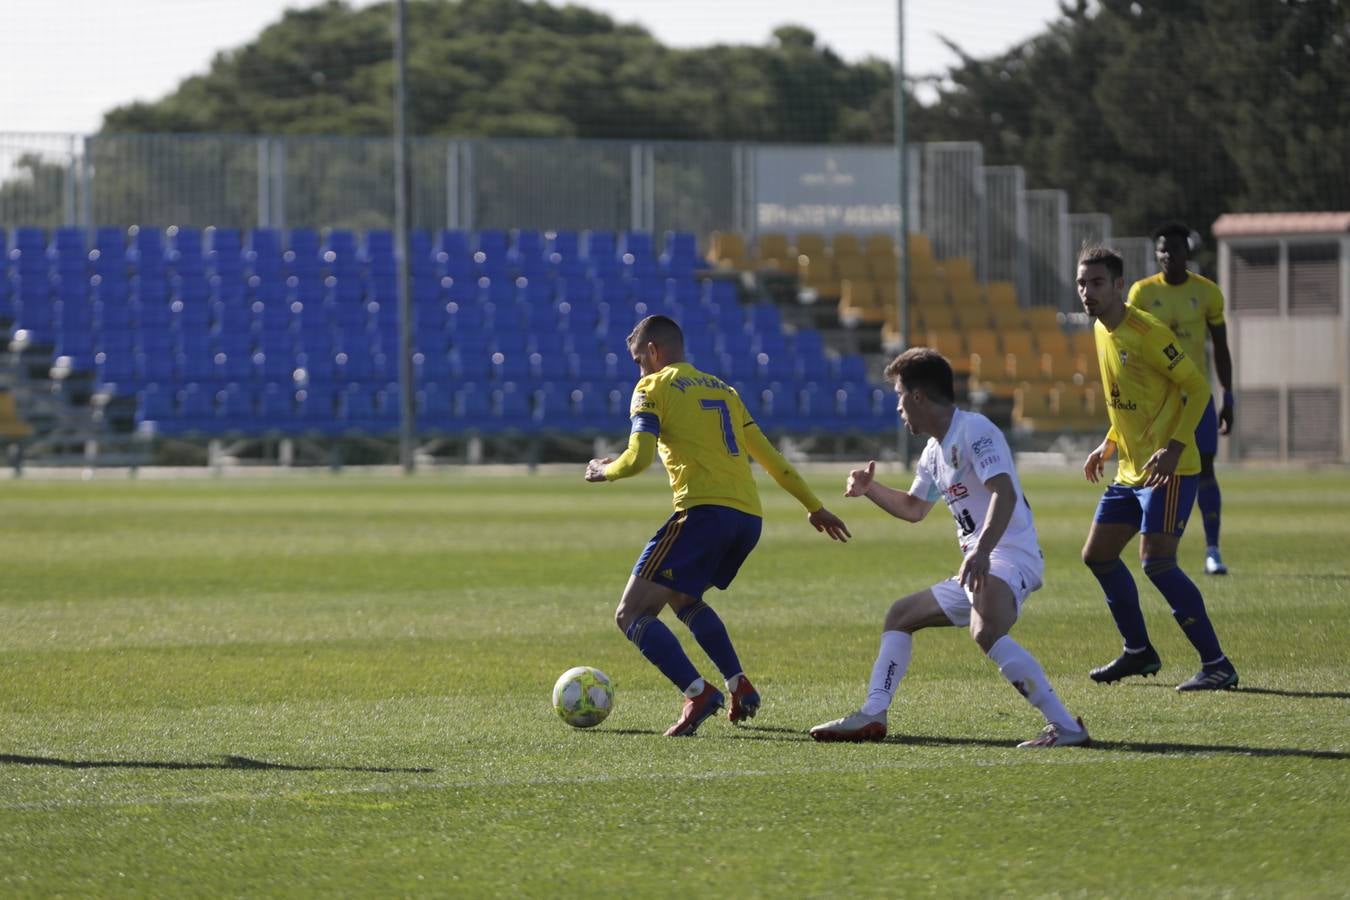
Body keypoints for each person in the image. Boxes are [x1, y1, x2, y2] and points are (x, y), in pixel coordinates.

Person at [585, 314, 851, 737]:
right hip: (747, 520)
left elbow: (637, 458)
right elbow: (773, 460)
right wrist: (814, 507)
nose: (639, 370)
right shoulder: (724, 391)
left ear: (653, 351)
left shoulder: (652, 387)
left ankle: (697, 693)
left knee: (631, 613)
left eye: (639, 360)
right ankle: (737, 683)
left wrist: (605, 471)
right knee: (683, 598)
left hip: (702, 515)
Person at [810, 347, 1089, 748]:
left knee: (985, 629)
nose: (899, 409)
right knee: (900, 615)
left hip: (1009, 554)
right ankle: (873, 713)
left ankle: (1066, 727)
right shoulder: (932, 453)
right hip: (981, 561)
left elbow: (1004, 494)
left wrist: (980, 551)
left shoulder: (975, 430)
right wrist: (870, 489)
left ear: (918, 396)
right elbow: (912, 508)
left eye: (900, 397)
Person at [1077, 245, 1239, 691]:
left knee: (1158, 563)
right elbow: (1126, 399)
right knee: (1098, 555)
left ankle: (1217, 664)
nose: (1087, 291)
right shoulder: (1099, 329)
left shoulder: (1147, 332)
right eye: (1081, 283)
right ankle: (1138, 652)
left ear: (1117, 286)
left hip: (1170, 469)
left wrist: (1173, 448)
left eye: (1096, 283)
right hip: (1130, 470)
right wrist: (1107, 443)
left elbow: (1198, 388)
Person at [1127, 222, 1234, 575]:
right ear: (1156, 254)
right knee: (1148, 470)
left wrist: (1228, 395)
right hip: (1155, 402)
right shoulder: (1141, 294)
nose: (1169, 255)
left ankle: (1213, 550)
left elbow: (1220, 347)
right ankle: (1151, 546)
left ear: (1187, 251)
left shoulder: (1207, 293)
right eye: (1163, 249)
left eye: (1175, 248)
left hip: (1195, 398)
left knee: (1204, 468)